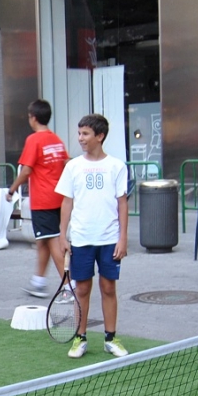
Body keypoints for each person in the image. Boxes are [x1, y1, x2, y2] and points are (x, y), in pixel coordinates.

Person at [56, 114, 129, 359]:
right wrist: (63, 235)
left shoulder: (117, 166)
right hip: (81, 238)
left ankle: (110, 338)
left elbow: (122, 204)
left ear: (100, 136)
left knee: (108, 288)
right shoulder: (73, 166)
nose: (80, 138)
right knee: (82, 289)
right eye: (79, 133)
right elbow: (67, 202)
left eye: (85, 134)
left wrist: (123, 238)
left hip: (109, 239)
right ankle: (80, 338)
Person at [5, 99, 68, 299]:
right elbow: (65, 163)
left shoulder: (34, 140)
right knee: (43, 241)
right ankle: (38, 282)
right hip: (58, 198)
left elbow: (26, 170)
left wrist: (12, 189)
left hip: (43, 199)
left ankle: (69, 286)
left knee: (52, 241)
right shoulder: (56, 140)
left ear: (33, 118)